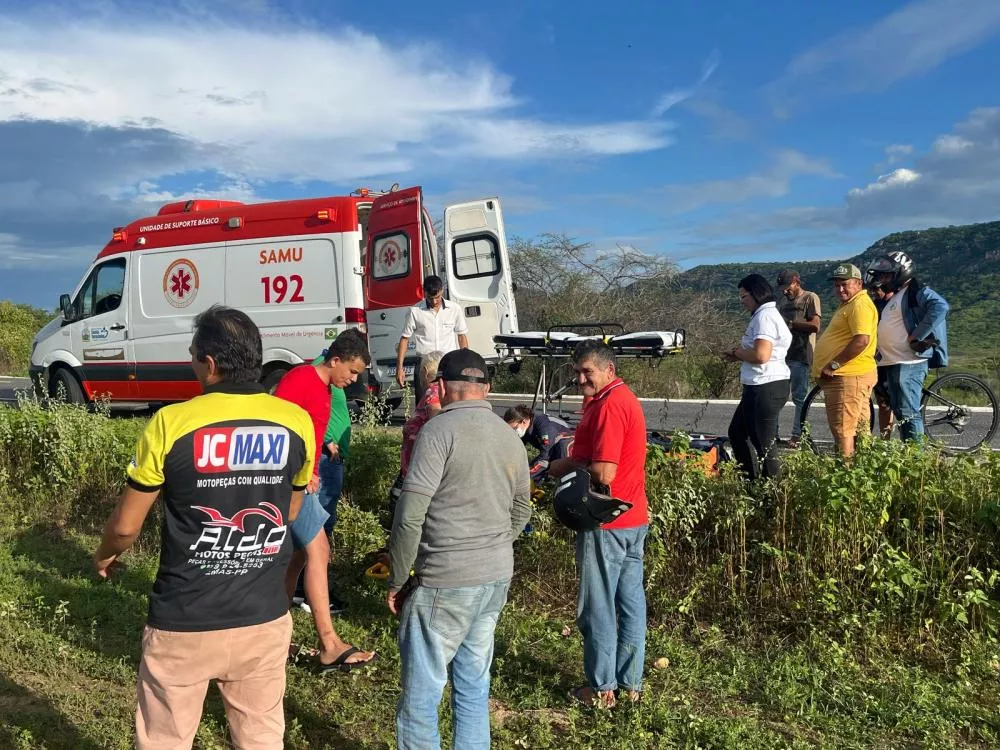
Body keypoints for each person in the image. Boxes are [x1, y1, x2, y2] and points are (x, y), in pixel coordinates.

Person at [92, 305, 315, 749]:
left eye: (193, 356)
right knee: (261, 738)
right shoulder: (296, 421)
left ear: (209, 363)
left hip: (185, 618)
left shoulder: (170, 423)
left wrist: (104, 555)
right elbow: (289, 512)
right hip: (264, 616)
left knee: (164, 740)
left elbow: (125, 526)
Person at [387, 348, 531, 750]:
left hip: (445, 580)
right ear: (485, 387)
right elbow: (522, 508)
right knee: (472, 684)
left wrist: (398, 579)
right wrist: (496, 543)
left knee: (422, 694)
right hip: (495, 577)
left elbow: (410, 515)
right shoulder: (509, 435)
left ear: (442, 387)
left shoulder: (437, 433)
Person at [549, 340, 648, 709]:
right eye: (577, 372)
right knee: (631, 603)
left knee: (598, 607)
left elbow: (604, 472)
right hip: (633, 516)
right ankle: (630, 684)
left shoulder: (610, 405)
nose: (580, 378)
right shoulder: (621, 400)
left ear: (609, 370)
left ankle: (602, 689)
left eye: (587, 371)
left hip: (605, 522)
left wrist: (564, 466)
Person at [274, 329, 377, 672]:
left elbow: (308, 433)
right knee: (318, 550)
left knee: (300, 553)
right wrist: (301, 473)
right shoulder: (300, 380)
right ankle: (329, 643)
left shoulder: (324, 388)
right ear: (335, 361)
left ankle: (275, 630)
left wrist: (315, 457)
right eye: (351, 371)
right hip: (290, 483)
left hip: (304, 480)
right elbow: (278, 428)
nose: (353, 379)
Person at [867, 251, 949, 442]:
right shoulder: (899, 295)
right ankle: (908, 453)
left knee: (908, 412)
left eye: (886, 275)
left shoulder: (916, 291)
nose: (883, 279)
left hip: (910, 361)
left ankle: (916, 459)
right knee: (902, 413)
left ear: (900, 272)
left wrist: (916, 335)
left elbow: (940, 306)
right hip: (894, 361)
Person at [724, 274, 792, 481]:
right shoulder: (765, 314)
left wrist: (737, 353)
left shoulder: (764, 317)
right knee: (738, 433)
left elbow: (761, 355)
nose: (742, 302)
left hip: (765, 385)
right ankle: (752, 484)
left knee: (764, 444)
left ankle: (773, 496)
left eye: (744, 297)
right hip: (762, 384)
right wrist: (740, 356)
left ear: (755, 294)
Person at [810, 263, 879, 457]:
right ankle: (862, 473)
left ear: (858, 283)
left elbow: (861, 340)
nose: (840, 289)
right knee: (858, 430)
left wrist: (834, 364)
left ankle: (845, 475)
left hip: (847, 377)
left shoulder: (860, 304)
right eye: (836, 285)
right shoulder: (851, 304)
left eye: (845, 284)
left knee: (843, 430)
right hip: (849, 377)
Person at [395, 275, 469, 400]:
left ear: (442, 290)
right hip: (425, 366)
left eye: (438, 297)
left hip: (448, 363)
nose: (434, 301)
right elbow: (404, 339)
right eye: (430, 298)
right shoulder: (415, 311)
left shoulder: (454, 309)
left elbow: (462, 336)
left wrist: (465, 362)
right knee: (424, 403)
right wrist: (399, 368)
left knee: (450, 401)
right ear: (424, 293)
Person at [776, 270, 822, 447]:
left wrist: (791, 324)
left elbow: (815, 326)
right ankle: (773, 434)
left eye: (787, 287)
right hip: (782, 355)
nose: (785, 291)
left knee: (799, 397)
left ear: (796, 282)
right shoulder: (782, 303)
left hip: (801, 354)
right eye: (782, 288)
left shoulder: (810, 298)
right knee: (778, 395)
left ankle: (798, 434)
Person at [399, 351, 445, 479]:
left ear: (424, 372)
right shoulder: (440, 392)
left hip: (421, 473)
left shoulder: (432, 392)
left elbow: (437, 424)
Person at [503, 404, 574, 482]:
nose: (513, 432)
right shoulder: (527, 426)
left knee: (532, 472)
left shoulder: (544, 429)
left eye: (514, 429)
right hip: (551, 448)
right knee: (531, 471)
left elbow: (544, 458)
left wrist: (523, 478)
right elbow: (516, 450)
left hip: (571, 446)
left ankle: (565, 480)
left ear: (524, 421)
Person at [868, 280, 896, 437]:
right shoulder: (874, 304)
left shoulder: (897, 302)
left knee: (897, 403)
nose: (873, 292)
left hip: (895, 356)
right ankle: (885, 440)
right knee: (883, 402)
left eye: (875, 289)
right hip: (879, 357)